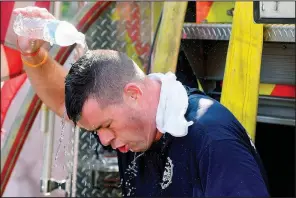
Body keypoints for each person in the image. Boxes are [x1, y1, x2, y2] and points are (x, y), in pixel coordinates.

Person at [13, 6, 269, 197]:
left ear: (133, 94)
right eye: (96, 131)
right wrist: (32, 54)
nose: (104, 141)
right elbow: (62, 101)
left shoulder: (211, 138)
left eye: (107, 126)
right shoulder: (128, 126)